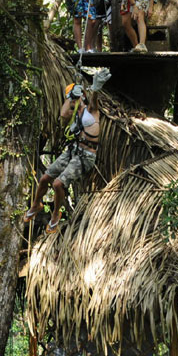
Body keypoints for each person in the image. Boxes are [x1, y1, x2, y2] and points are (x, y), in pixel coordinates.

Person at [24, 70, 110, 234]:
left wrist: (95, 89)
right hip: (73, 151)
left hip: (86, 155)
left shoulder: (91, 110)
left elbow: (94, 100)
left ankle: (56, 214)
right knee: (44, 179)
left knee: (58, 184)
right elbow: (63, 114)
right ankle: (36, 204)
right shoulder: (74, 114)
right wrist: (70, 97)